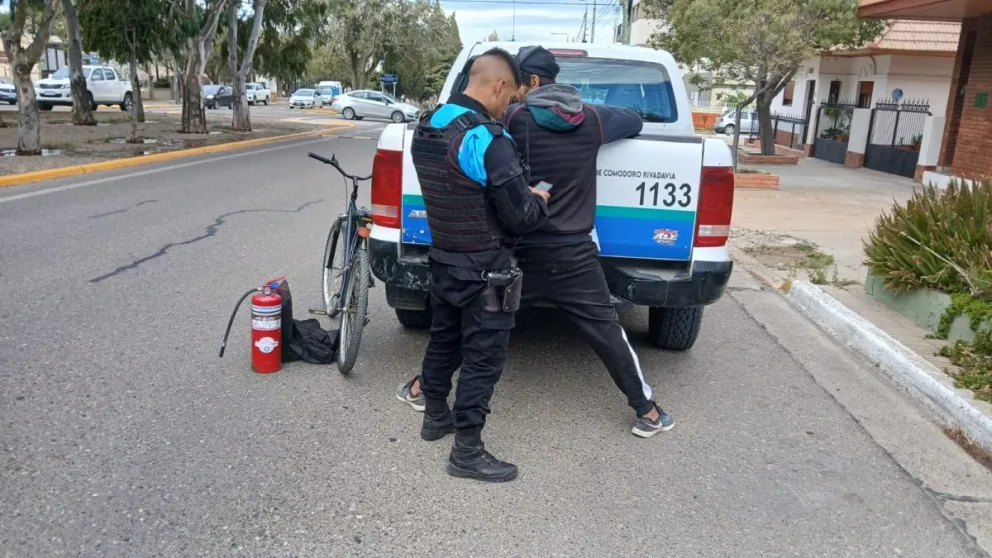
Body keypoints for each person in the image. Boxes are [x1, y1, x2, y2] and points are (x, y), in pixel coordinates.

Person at [397, 46, 674, 439]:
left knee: (473, 324)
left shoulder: (512, 117)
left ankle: (423, 389)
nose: (514, 96)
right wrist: (595, 109)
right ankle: (647, 411)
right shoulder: (593, 119)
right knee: (606, 330)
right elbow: (632, 119)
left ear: (530, 82)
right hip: (573, 255)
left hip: (518, 252)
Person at [406, 47, 550, 483]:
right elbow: (520, 217)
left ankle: (435, 416)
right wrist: (538, 199)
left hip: (443, 260)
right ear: (499, 85)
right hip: (485, 271)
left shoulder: (429, 124)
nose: (508, 109)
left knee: (444, 339)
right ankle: (467, 452)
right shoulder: (487, 138)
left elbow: (456, 189)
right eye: (511, 99)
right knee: (483, 359)